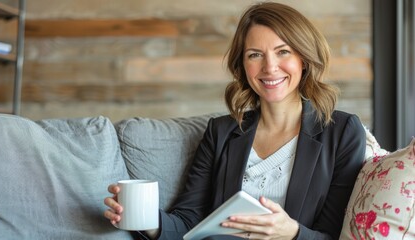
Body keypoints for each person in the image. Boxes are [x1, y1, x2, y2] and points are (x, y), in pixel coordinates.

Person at [104, 2, 366, 239]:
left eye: (283, 51)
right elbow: (188, 221)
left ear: (304, 60)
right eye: (255, 55)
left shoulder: (342, 132)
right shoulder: (221, 132)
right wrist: (144, 219)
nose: (270, 67)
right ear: (243, 65)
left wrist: (293, 233)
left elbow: (338, 235)